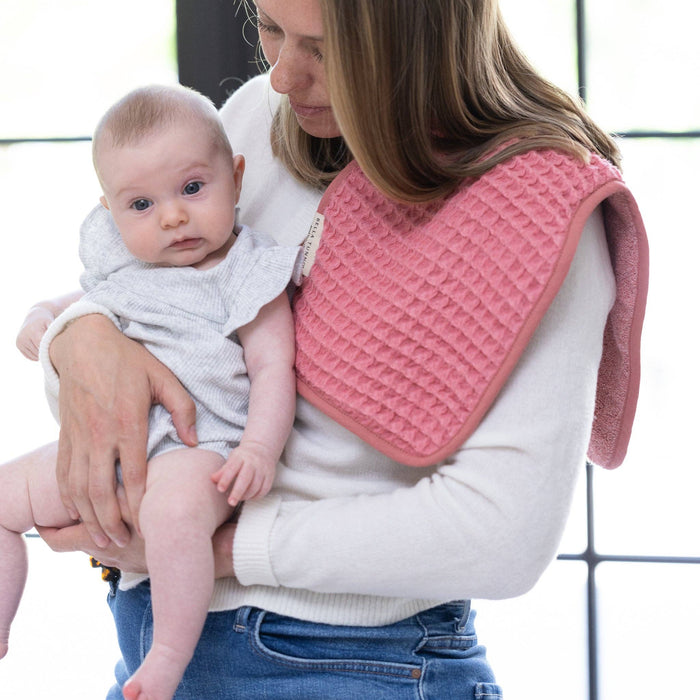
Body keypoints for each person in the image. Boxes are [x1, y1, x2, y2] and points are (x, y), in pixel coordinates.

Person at [6, 1, 649, 697]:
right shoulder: (250, 123)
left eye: (322, 48)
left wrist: (208, 545)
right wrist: (82, 341)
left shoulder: (535, 216)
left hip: (348, 662)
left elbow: (500, 538)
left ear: (420, 39)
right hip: (148, 636)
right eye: (271, 29)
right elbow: (158, 331)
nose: (281, 76)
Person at [1, 84, 300, 700]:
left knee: (173, 515)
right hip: (109, 452)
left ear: (235, 178)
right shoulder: (122, 265)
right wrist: (41, 317)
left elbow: (275, 368)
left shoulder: (242, 271)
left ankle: (167, 655)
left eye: (193, 189)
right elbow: (73, 305)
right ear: (110, 212)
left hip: (201, 447)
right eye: (140, 204)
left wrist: (259, 450)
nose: (172, 216)